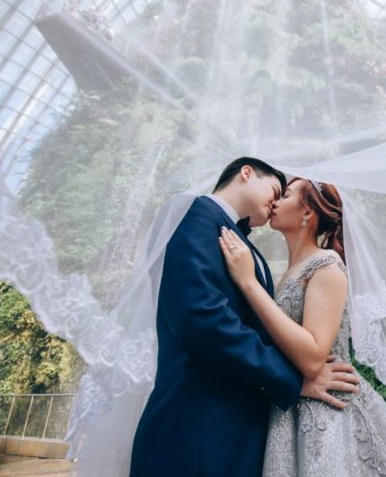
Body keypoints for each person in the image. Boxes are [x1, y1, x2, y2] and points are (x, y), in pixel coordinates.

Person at [129, 158, 360, 477]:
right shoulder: (194, 217)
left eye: (285, 195)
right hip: (198, 435)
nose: (277, 201)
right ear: (246, 173)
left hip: (237, 436)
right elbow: (204, 322)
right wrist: (293, 381)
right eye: (275, 189)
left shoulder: (245, 248)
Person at [220, 177, 386, 476]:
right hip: (294, 409)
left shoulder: (327, 266)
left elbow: (313, 357)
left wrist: (248, 283)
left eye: (285, 196)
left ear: (307, 213)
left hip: (329, 412)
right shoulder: (287, 274)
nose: (275, 202)